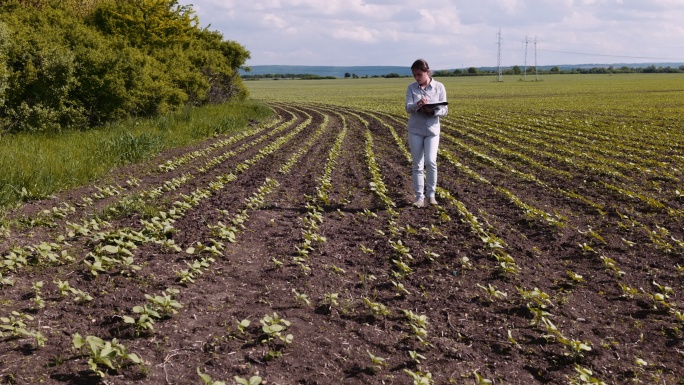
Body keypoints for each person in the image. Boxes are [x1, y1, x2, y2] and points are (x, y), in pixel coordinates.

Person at [405, 59, 448, 207]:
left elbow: (444, 110)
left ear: (427, 72)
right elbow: (407, 107)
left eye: (419, 74)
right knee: (417, 164)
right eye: (414, 75)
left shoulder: (439, 87)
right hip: (415, 129)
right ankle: (419, 198)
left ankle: (431, 195)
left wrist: (433, 110)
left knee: (431, 162)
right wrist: (418, 105)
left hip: (432, 129)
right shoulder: (411, 88)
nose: (417, 78)